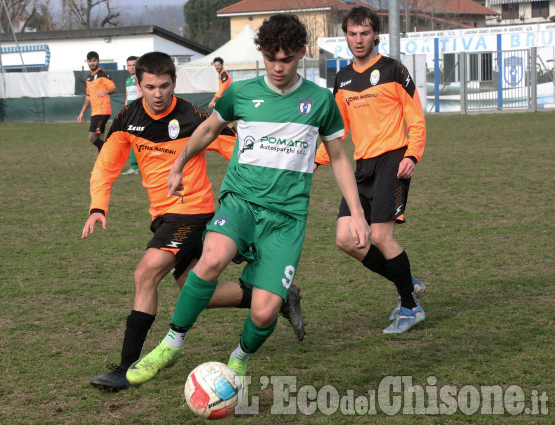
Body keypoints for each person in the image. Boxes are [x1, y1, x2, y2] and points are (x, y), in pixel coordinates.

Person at [126, 14, 370, 387]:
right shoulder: (241, 93)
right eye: (271, 57)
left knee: (263, 311)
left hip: (286, 218)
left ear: (301, 54)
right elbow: (209, 128)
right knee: (210, 259)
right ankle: (171, 345)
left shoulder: (321, 101)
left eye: (286, 59)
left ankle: (238, 360)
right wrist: (179, 164)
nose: (277, 66)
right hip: (240, 202)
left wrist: (356, 214)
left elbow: (338, 157)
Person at [82, 51, 305, 392]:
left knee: (146, 273)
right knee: (195, 290)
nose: (158, 94)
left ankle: (126, 369)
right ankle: (276, 297)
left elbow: (241, 145)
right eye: (150, 87)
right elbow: (106, 165)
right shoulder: (127, 117)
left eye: (165, 86)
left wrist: (292, 162)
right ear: (138, 85)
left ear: (174, 82)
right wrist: (98, 206)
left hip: (193, 211)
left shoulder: (195, 117)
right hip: (162, 216)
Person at [315, 6, 427, 334]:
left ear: (375, 34)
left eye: (365, 33)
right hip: (362, 167)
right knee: (347, 238)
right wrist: (314, 161)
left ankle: (409, 306)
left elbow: (416, 119)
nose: (358, 40)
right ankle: (405, 282)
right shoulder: (343, 78)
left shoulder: (394, 70)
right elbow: (337, 132)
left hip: (394, 159)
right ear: (345, 36)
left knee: (379, 235)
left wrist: (412, 155)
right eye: (352, 33)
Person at [78, 51, 117, 153]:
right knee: (99, 138)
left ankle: (109, 152)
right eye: (90, 61)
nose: (92, 63)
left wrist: (106, 92)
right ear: (87, 62)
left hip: (102, 111)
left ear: (98, 61)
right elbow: (88, 97)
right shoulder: (88, 78)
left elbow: (113, 89)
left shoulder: (102, 74)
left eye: (94, 61)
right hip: (95, 112)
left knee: (91, 137)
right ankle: (103, 166)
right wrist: (82, 112)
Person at [121, 55, 142, 176]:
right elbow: (127, 96)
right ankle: (135, 167)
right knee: (132, 138)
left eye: (134, 65)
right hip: (130, 111)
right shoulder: (128, 80)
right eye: (129, 65)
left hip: (137, 110)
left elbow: (141, 93)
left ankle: (136, 167)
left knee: (134, 138)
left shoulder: (139, 78)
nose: (131, 67)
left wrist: (133, 107)